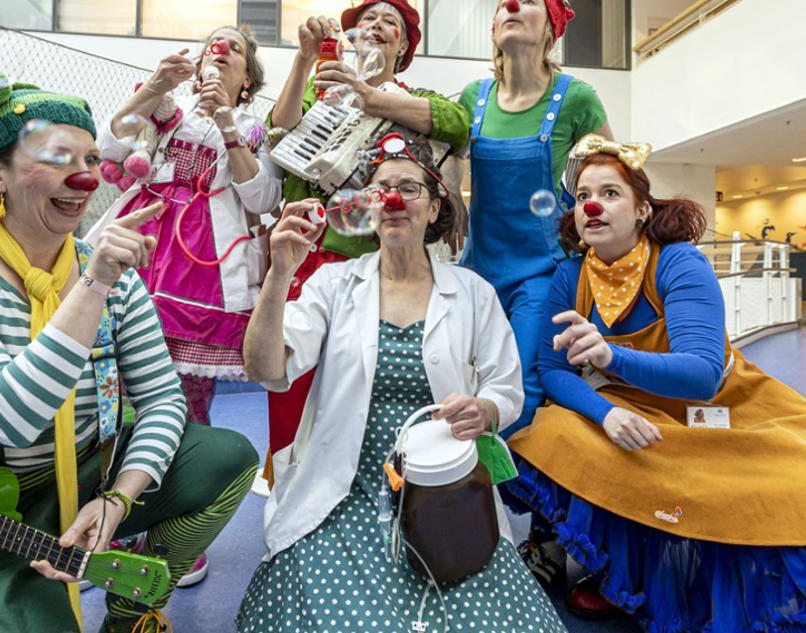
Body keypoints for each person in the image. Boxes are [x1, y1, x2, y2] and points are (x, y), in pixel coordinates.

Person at [0, 71, 258, 633]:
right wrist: (94, 283)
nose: (84, 178)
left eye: (89, 159)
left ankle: (129, 614)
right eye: (57, 158)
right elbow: (6, 417)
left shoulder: (112, 277)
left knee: (226, 458)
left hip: (78, 479)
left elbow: (163, 401)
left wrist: (119, 499)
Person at [236, 136, 566, 633]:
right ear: (368, 209)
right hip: (345, 492)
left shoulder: (473, 293)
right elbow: (265, 368)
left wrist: (486, 410)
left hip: (445, 495)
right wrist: (280, 273)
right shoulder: (333, 286)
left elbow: (507, 389)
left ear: (434, 209)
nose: (392, 198)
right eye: (380, 189)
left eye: (409, 188)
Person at [505, 136, 806, 629]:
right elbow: (553, 372)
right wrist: (607, 414)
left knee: (795, 484)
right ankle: (615, 570)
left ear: (642, 209)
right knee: (551, 431)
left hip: (724, 405)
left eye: (610, 193)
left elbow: (701, 376)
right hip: (633, 406)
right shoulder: (570, 276)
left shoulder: (678, 262)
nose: (591, 205)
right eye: (584, 195)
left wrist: (610, 354)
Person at [264, 0, 471, 482]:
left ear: (404, 48)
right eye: (366, 21)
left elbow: (457, 123)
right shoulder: (320, 93)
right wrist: (303, 59)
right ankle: (291, 482)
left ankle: (369, 487)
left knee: (365, 387)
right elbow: (281, 128)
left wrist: (367, 96)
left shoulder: (418, 99)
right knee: (292, 379)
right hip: (307, 258)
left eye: (389, 22)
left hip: (377, 270)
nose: (376, 26)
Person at [90, 25, 282, 428]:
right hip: (143, 238)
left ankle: (183, 448)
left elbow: (262, 199)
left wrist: (227, 125)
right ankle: (112, 445)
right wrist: (156, 86)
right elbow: (109, 147)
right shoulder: (169, 107)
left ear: (248, 78)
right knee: (115, 360)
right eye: (214, 45)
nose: (221, 49)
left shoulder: (254, 127)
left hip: (204, 263)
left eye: (235, 48)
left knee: (187, 388)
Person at [459, 0, 613, 438]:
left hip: (542, 271)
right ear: (493, 28)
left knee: (524, 383)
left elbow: (615, 174)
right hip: (478, 269)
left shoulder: (575, 98)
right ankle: (467, 473)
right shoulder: (473, 98)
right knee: (469, 377)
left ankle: (511, 473)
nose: (511, 5)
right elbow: (448, 165)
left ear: (551, 28)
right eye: (503, 3)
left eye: (528, 0)